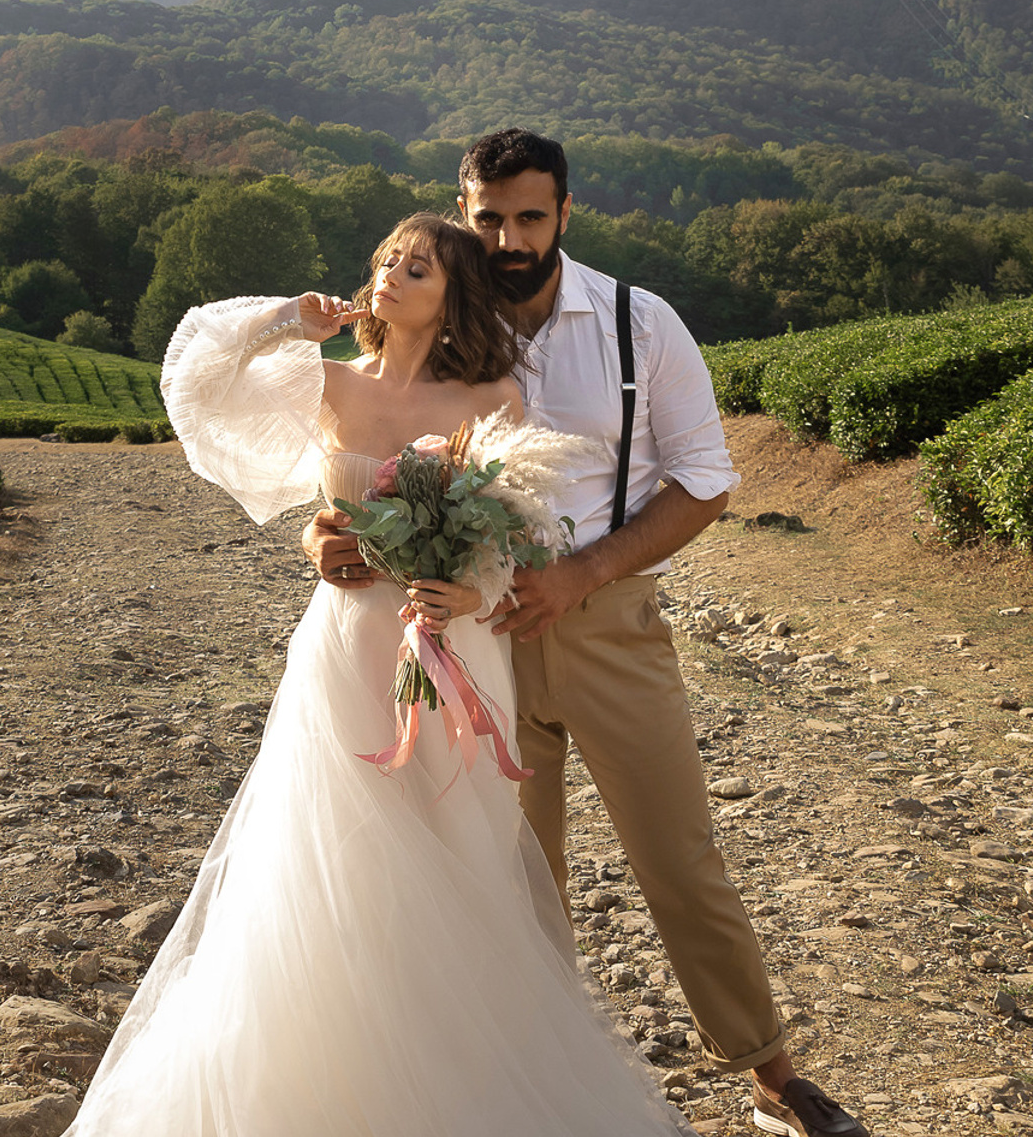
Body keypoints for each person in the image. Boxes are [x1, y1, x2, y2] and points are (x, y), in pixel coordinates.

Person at [68, 212, 692, 1136]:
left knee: (456, 850)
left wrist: (464, 597)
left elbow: (516, 544)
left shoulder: (491, 400)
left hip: (455, 650)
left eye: (422, 267)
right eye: (389, 260)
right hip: (345, 648)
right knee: (329, 856)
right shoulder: (330, 384)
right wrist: (290, 319)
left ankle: (456, 1086)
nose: (396, 274)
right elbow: (195, 376)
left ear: (455, 296)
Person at [305, 131, 870, 1137]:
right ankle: (531, 1088)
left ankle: (770, 1071)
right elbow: (363, 456)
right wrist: (331, 536)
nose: (510, 237)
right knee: (510, 876)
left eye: (531, 216)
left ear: (566, 213)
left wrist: (585, 573)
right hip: (471, 645)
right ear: (463, 211)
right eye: (489, 219)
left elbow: (706, 478)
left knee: (680, 854)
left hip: (606, 625)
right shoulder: (434, 321)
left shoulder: (635, 323)